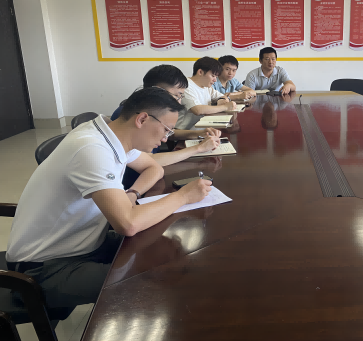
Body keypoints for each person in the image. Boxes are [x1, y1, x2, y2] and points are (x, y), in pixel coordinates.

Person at [6, 88, 213, 278]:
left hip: (87, 240)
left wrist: (132, 194)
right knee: (145, 278)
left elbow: (154, 168)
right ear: (142, 119)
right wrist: (183, 196)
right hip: (45, 264)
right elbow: (128, 224)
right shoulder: (91, 148)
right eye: (167, 130)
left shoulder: (113, 134)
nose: (166, 138)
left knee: (163, 246)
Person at [111, 64, 221, 166]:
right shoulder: (131, 114)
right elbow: (148, 160)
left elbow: (168, 134)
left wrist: (199, 133)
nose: (179, 102)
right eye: (177, 95)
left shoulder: (146, 109)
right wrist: (199, 148)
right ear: (159, 90)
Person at [176, 57, 237, 130]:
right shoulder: (186, 86)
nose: (215, 80)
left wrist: (221, 100)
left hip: (202, 127)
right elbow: (197, 110)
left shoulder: (206, 86)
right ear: (200, 72)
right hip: (185, 131)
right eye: (213, 76)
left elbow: (222, 96)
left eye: (216, 77)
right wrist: (225, 107)